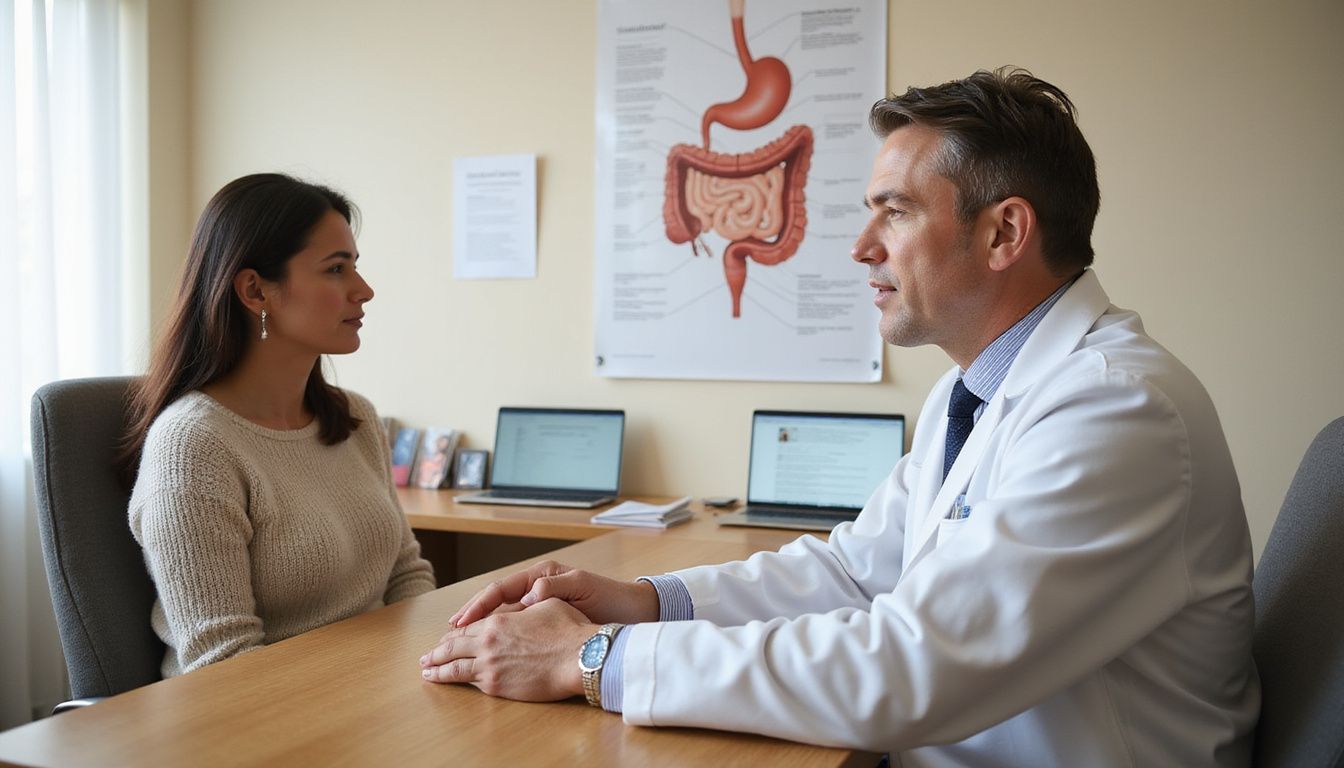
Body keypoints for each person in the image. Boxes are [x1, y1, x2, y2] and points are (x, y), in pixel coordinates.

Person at [419, 68, 1259, 765]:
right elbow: (858, 574)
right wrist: (642, 602)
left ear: (1004, 233)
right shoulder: (976, 391)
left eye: (894, 210)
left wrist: (588, 657)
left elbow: (909, 670)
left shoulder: (1116, 409)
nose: (861, 246)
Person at [119, 173, 435, 677]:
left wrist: (433, 663)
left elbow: (407, 575)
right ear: (254, 290)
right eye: (336, 269)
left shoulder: (355, 419)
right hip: (253, 725)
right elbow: (223, 664)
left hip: (372, 694)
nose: (364, 290)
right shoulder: (193, 446)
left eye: (356, 266)